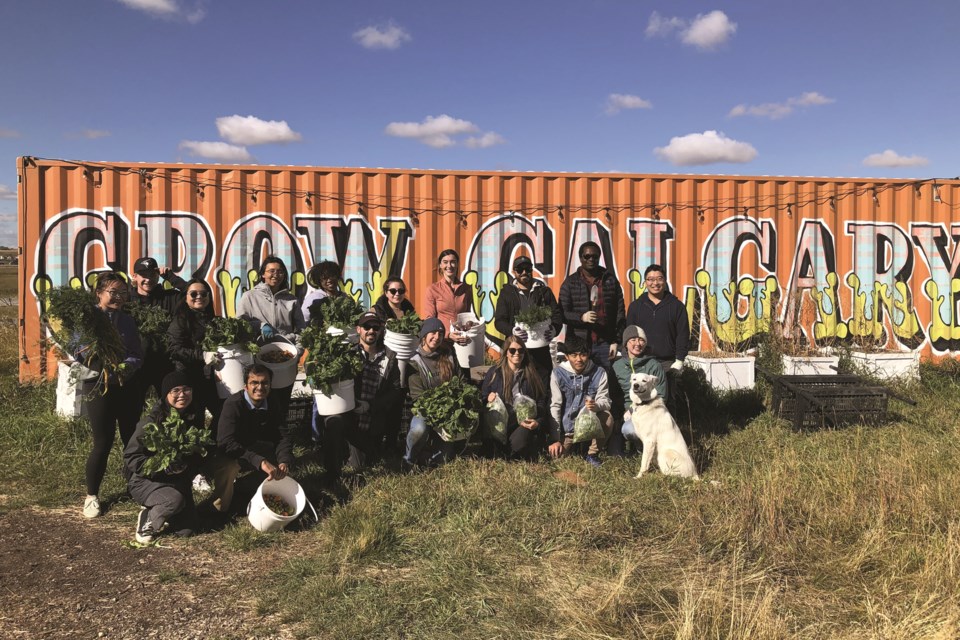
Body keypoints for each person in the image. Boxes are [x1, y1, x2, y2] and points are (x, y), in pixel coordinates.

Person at [76, 272, 144, 518]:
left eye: (122, 293)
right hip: (98, 386)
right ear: (99, 293)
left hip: (127, 386)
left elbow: (136, 351)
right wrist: (98, 358)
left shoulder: (126, 320)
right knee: (102, 442)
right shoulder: (87, 318)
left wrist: (127, 365)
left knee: (131, 439)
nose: (118, 297)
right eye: (113, 292)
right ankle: (92, 496)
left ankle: (136, 487)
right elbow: (78, 349)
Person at [124, 371, 207, 542]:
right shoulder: (151, 422)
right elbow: (131, 457)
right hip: (146, 480)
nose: (182, 395)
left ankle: (167, 509)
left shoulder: (194, 415)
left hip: (177, 480)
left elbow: (197, 453)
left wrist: (188, 465)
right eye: (175, 390)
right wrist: (161, 466)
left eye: (186, 389)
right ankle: (148, 520)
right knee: (173, 501)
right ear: (166, 394)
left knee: (187, 529)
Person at [317, 311, 403, 472]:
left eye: (375, 327)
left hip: (373, 420)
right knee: (333, 423)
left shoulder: (389, 358)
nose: (371, 331)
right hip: (350, 416)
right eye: (367, 327)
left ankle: (359, 452)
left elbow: (395, 391)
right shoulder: (348, 354)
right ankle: (331, 476)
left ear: (381, 330)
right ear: (358, 330)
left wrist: (370, 406)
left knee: (360, 465)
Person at [215, 364, 294, 513]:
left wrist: (284, 460)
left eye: (265, 383)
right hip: (226, 451)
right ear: (245, 386)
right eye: (254, 383)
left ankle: (243, 488)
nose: (260, 387)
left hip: (251, 446)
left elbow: (282, 435)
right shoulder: (233, 404)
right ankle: (219, 508)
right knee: (228, 467)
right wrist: (260, 461)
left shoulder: (272, 401)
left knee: (279, 464)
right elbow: (225, 443)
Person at [237, 256, 305, 420]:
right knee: (259, 401)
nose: (276, 275)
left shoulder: (291, 300)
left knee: (281, 403)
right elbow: (240, 324)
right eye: (271, 271)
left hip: (286, 359)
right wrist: (259, 326)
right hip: (259, 358)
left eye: (280, 271)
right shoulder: (250, 296)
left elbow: (303, 329)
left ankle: (280, 440)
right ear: (262, 275)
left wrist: (298, 350)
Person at [126, 256, 188, 424]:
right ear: (134, 276)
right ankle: (131, 446)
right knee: (132, 409)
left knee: (171, 409)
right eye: (143, 275)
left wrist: (171, 277)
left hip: (165, 363)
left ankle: (170, 443)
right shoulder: (126, 301)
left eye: (152, 275)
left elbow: (191, 292)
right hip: (137, 365)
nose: (148, 279)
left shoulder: (169, 297)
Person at [625, 264, 690, 409]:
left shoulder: (676, 306)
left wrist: (679, 360)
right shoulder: (636, 306)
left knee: (667, 400)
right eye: (650, 279)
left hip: (667, 362)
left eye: (659, 279)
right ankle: (641, 431)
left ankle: (670, 430)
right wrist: (629, 356)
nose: (655, 283)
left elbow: (683, 334)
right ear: (645, 282)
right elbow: (629, 333)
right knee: (640, 399)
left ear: (665, 281)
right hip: (642, 361)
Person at [404, 317, 465, 468]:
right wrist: (439, 408)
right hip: (424, 410)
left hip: (448, 411)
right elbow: (418, 397)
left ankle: (425, 457)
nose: (437, 337)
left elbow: (461, 381)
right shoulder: (414, 360)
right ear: (424, 336)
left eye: (440, 333)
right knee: (419, 430)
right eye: (433, 332)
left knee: (442, 459)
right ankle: (409, 459)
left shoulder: (449, 354)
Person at [493, 254, 562, 384]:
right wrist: (512, 330)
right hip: (516, 350)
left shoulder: (544, 291)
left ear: (531, 270)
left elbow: (557, 315)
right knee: (517, 384)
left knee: (544, 384)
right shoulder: (507, 293)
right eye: (520, 269)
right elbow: (499, 321)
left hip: (541, 350)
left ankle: (542, 405)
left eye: (527, 269)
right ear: (514, 272)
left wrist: (554, 329)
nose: (524, 272)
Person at [546, 335, 614, 466]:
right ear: (567, 356)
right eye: (574, 355)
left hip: (589, 428)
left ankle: (592, 453)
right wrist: (555, 439)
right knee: (557, 462)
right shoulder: (558, 373)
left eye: (583, 355)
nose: (579, 359)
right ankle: (573, 447)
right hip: (567, 430)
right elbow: (555, 405)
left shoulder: (599, 372)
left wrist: (596, 405)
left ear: (588, 354)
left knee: (607, 417)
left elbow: (606, 401)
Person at [480, 335, 550, 460]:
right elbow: (483, 396)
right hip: (499, 423)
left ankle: (512, 452)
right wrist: (488, 398)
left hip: (521, 424)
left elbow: (541, 401)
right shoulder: (494, 372)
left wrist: (537, 422)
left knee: (520, 442)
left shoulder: (532, 374)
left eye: (521, 350)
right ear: (506, 353)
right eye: (512, 350)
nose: (517, 353)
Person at [558, 241, 626, 369]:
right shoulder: (570, 283)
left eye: (595, 256)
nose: (591, 259)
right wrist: (581, 318)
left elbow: (620, 312)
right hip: (579, 344)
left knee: (604, 381)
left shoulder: (610, 280)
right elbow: (561, 313)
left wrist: (616, 341)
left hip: (604, 343)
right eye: (587, 256)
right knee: (580, 382)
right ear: (580, 258)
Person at [166, 279, 222, 427]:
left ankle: (213, 448)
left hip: (211, 380)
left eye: (203, 293)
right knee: (194, 421)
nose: (199, 297)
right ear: (186, 297)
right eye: (193, 294)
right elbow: (174, 349)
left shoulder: (214, 321)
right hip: (189, 378)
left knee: (222, 415)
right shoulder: (180, 320)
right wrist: (202, 355)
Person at [613, 325, 668, 449]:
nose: (638, 344)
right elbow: (613, 393)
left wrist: (639, 410)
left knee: (632, 430)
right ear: (626, 343)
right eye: (633, 340)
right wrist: (617, 416)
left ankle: (641, 448)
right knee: (618, 449)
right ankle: (631, 446)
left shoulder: (654, 366)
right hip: (625, 412)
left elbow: (662, 395)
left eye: (641, 340)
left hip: (650, 412)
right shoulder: (617, 366)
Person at [423, 249, 473, 342]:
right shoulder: (432, 289)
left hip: (461, 339)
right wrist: (447, 335)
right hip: (441, 340)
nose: (449, 266)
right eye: (445, 262)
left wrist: (469, 328)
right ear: (440, 265)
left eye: (453, 262)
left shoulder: (466, 289)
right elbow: (430, 320)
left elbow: (467, 315)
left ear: (457, 264)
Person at [301, 260, 344, 325]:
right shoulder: (313, 298)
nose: (329, 280)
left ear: (338, 277)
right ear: (319, 281)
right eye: (325, 278)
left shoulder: (345, 297)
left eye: (332, 276)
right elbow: (304, 319)